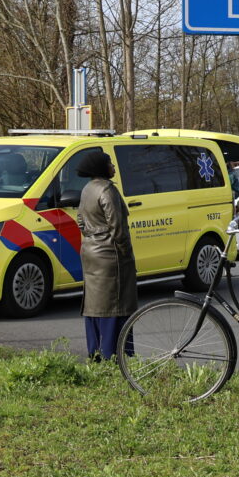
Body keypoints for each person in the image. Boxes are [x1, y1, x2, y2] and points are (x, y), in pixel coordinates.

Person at [77, 150, 138, 361]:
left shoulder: (87, 189)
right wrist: (125, 255)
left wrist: (90, 237)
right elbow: (118, 228)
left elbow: (80, 221)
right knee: (116, 304)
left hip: (90, 251)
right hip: (111, 256)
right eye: (110, 163)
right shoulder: (107, 190)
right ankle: (115, 354)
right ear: (101, 167)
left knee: (95, 304)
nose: (113, 166)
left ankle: (95, 352)